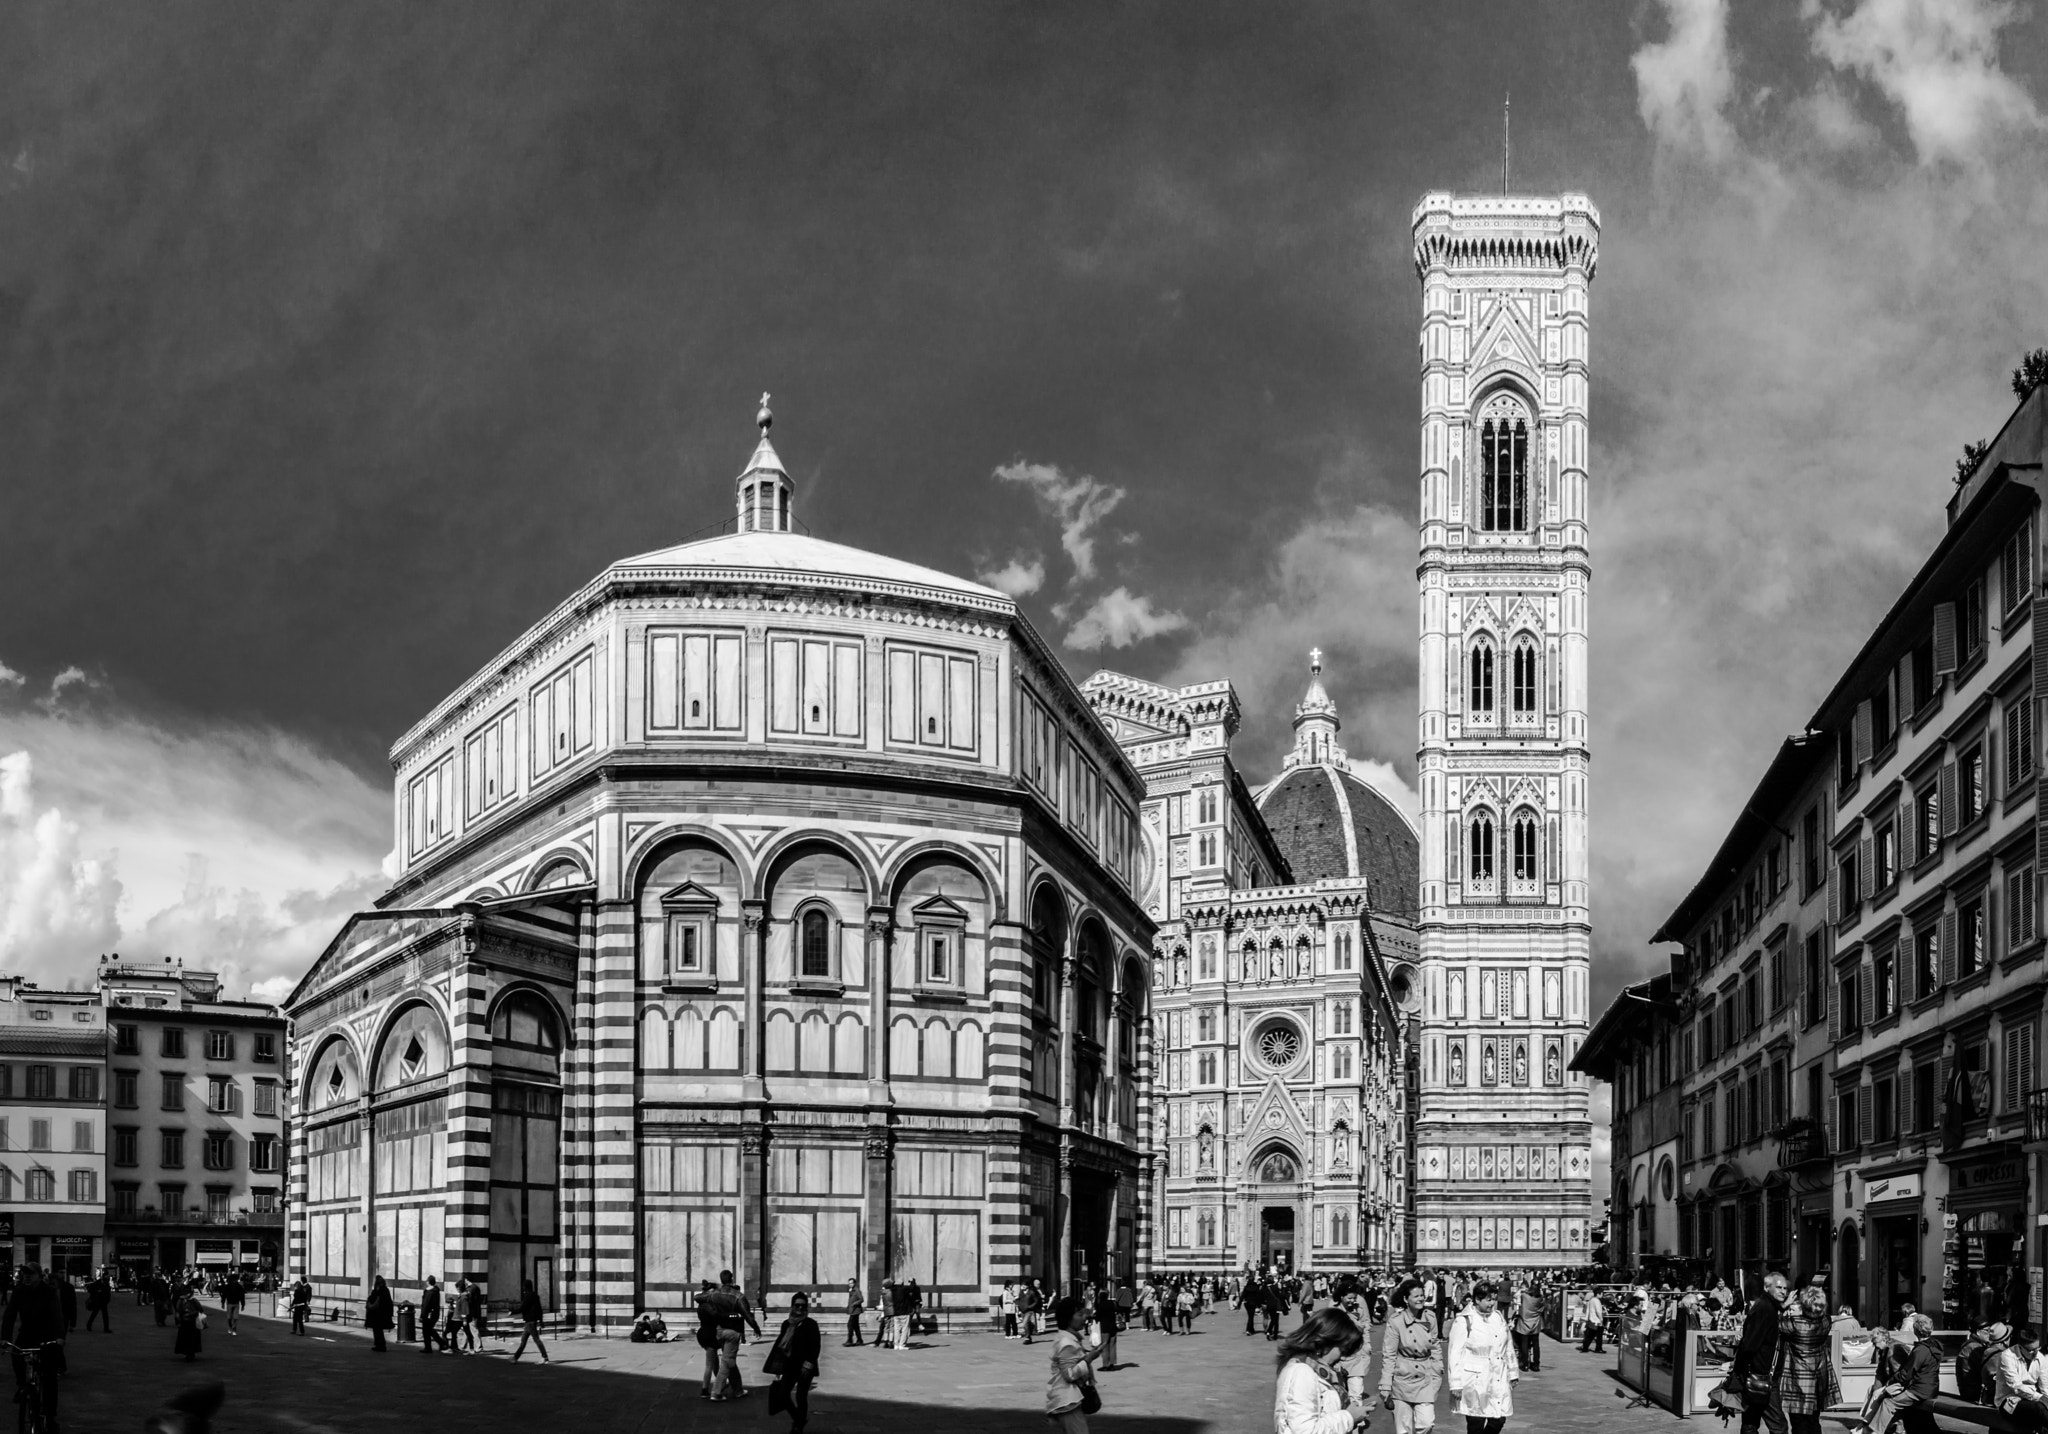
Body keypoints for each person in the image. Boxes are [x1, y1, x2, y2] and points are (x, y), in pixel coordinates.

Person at [1274, 1306, 1371, 1434]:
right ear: (1325, 1340)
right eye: (1342, 1349)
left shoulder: (1315, 1369)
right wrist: (1349, 1417)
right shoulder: (1302, 1372)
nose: (1342, 1357)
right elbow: (1305, 1431)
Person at [1849, 1314, 1940, 1434]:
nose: (1875, 1347)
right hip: (1926, 1387)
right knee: (1878, 1393)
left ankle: (1872, 1429)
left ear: (1916, 1330)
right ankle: (1868, 1425)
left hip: (1918, 1389)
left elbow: (1905, 1374)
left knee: (1888, 1401)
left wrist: (1889, 1385)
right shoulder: (1932, 1346)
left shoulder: (1919, 1350)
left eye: (1875, 1343)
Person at [1447, 1280, 1518, 1434]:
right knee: (1476, 1420)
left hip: (1497, 1375)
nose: (1492, 1303)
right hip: (1475, 1379)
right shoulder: (1465, 1320)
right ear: (1477, 1299)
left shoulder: (1498, 1317)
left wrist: (1513, 1373)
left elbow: (1508, 1346)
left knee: (1499, 1418)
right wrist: (1456, 1384)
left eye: (1494, 1299)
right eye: (1488, 1299)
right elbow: (1454, 1353)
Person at [2, 1263, 65, 1431]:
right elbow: (9, 1315)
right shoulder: (19, 1291)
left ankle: (50, 1416)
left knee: (49, 1377)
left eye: (30, 1274)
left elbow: (58, 1316)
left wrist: (59, 1338)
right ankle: (22, 1384)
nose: (27, 1277)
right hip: (27, 1332)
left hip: (47, 1334)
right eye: (24, 1274)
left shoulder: (49, 1292)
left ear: (39, 1275)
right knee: (16, 1353)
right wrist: (5, 1338)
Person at [1774, 1284, 1841, 1434]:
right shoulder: (1825, 1321)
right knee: (1813, 1421)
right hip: (1818, 1377)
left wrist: (1784, 1306)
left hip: (1798, 1379)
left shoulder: (1794, 1324)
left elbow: (1773, 1322)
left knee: (1799, 1423)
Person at [1380, 1278, 1444, 1434]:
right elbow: (1389, 1355)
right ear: (1405, 1299)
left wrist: (1438, 1368)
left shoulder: (1430, 1317)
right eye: (1416, 1296)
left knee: (1427, 1423)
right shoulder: (1396, 1322)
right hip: (1402, 1378)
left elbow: (1435, 1345)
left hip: (1425, 1376)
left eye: (1422, 1295)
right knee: (1404, 1428)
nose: (1421, 1299)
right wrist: (1386, 1385)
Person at [1731, 1271, 1789, 1434]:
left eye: (1785, 1288)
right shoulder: (1765, 1308)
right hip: (1762, 1377)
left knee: (1750, 1421)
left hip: (1758, 1375)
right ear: (1766, 1287)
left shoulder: (1769, 1307)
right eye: (1778, 1287)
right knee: (1779, 1426)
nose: (1783, 1291)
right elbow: (1750, 1344)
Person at [764, 1289, 822, 1434]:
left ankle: (798, 1427)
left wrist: (809, 1362)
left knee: (801, 1396)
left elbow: (816, 1345)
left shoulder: (811, 1324)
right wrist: (777, 1368)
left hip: (805, 1367)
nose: (800, 1308)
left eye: (803, 1306)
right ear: (792, 1307)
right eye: (797, 1305)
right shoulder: (786, 1324)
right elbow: (781, 1347)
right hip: (790, 1366)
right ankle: (799, 1419)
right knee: (783, 1395)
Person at [1045, 1295, 1102, 1434]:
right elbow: (1069, 1374)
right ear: (1068, 1318)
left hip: (1069, 1399)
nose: (1084, 1317)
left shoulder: (1069, 1339)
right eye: (1080, 1314)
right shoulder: (1067, 1343)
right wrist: (1088, 1359)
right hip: (1067, 1400)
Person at [715, 1268, 761, 1397]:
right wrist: (756, 1328)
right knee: (727, 1360)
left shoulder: (714, 1294)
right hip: (732, 1333)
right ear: (732, 1279)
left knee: (730, 1360)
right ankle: (716, 1391)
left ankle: (738, 1389)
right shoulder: (737, 1295)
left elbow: (699, 1298)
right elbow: (747, 1315)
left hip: (718, 1331)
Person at [1995, 1326, 2048, 1428]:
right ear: (2020, 1347)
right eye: (2031, 1350)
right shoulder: (2007, 1356)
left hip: (2032, 1400)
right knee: (2038, 1409)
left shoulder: (2040, 1358)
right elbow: (2016, 1386)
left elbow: (2045, 1386)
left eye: (2037, 1348)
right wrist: (2040, 1398)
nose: (2035, 1353)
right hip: (2008, 1402)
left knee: (2040, 1408)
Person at [511, 1279, 549, 1363]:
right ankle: (515, 1358)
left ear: (526, 1287)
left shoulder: (527, 1296)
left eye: (523, 1286)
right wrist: (541, 1320)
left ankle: (545, 1357)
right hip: (531, 1322)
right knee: (524, 1340)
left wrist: (512, 1312)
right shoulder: (535, 1296)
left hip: (530, 1322)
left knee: (535, 1340)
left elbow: (523, 1308)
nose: (522, 1288)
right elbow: (539, 1309)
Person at [1512, 1283, 1544, 1372]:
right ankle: (1536, 1364)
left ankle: (1525, 1364)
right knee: (1536, 1345)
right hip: (1535, 1323)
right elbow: (1542, 1308)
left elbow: (1515, 1295)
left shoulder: (1524, 1296)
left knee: (1524, 1344)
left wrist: (1522, 1289)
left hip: (1524, 1322)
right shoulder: (1539, 1299)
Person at [174, 1283, 204, 1364]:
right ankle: (190, 1353)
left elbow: (177, 1311)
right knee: (191, 1339)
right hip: (190, 1322)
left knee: (186, 1339)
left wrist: (178, 1320)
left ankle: (188, 1353)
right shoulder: (193, 1300)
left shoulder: (181, 1300)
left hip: (187, 1322)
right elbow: (201, 1309)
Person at [1094, 1282, 1121, 1371]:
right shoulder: (1112, 1303)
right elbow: (1119, 1310)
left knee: (1105, 1345)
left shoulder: (1101, 1305)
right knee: (1112, 1345)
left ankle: (1106, 1365)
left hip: (1105, 1328)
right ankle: (1112, 1364)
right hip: (1113, 1326)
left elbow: (1097, 1318)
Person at [364, 1275, 394, 1353]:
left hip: (378, 1314)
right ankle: (379, 1345)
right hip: (381, 1314)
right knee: (378, 1330)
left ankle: (380, 1345)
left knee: (377, 1330)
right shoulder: (385, 1290)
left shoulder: (379, 1291)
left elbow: (372, 1299)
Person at [419, 1276, 444, 1354]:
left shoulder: (429, 1292)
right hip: (434, 1313)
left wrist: (422, 1315)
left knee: (427, 1330)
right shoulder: (436, 1291)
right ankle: (439, 1343)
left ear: (428, 1282)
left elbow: (426, 1305)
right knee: (429, 1330)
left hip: (428, 1314)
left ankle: (437, 1344)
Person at [1018, 1279, 1044, 1346]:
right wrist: (1018, 1308)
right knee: (1027, 1324)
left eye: (1024, 1285)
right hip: (1022, 1310)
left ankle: (1027, 1338)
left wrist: (1030, 1306)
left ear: (1027, 1286)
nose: (1023, 1286)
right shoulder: (1021, 1292)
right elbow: (1019, 1300)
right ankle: (1029, 1337)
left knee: (1025, 1323)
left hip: (1029, 1311)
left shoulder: (1031, 1293)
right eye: (1022, 1285)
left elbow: (1036, 1301)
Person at [845, 1278, 866, 1347]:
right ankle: (859, 1340)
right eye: (849, 1283)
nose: (850, 1284)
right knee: (856, 1326)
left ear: (854, 1283)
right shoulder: (851, 1291)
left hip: (856, 1311)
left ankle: (850, 1340)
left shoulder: (857, 1290)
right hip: (853, 1310)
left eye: (851, 1283)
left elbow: (861, 1299)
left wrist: (854, 1304)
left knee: (850, 1325)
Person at [221, 1271, 243, 1336]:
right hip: (230, 1303)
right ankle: (230, 1328)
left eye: (235, 1280)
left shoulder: (239, 1287)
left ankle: (234, 1329)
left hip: (235, 1303)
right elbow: (224, 1295)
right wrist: (222, 1302)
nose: (234, 1281)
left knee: (235, 1318)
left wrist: (243, 1304)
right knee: (229, 1318)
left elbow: (242, 1295)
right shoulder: (228, 1286)